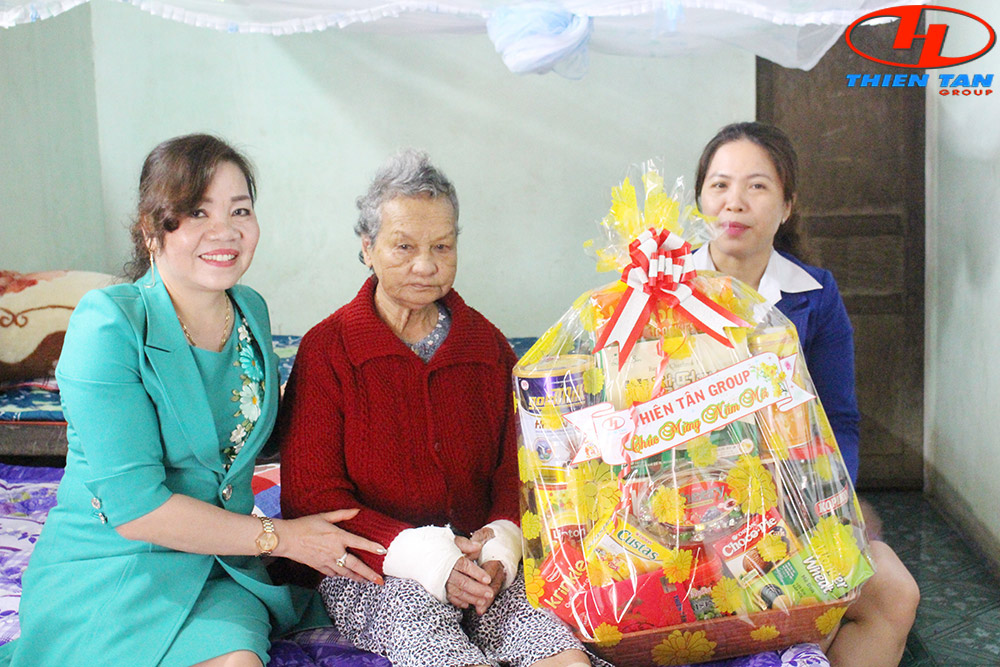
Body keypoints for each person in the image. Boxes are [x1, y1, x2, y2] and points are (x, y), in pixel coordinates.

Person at [0, 134, 386, 667]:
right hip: (117, 567)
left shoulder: (249, 309)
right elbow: (136, 510)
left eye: (240, 210)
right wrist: (281, 538)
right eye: (198, 212)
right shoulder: (108, 324)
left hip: (219, 565)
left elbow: (254, 432)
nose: (224, 231)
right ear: (151, 228)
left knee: (238, 660)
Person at [275, 149, 603, 667]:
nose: (426, 265)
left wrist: (500, 545)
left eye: (442, 246)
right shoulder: (329, 350)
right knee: (427, 635)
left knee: (551, 639)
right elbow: (312, 497)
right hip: (374, 565)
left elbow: (517, 468)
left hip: (480, 558)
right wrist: (425, 557)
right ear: (367, 247)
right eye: (404, 246)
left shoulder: (487, 346)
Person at [691, 121, 920, 667]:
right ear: (700, 199)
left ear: (787, 205)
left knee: (895, 592)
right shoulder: (657, 290)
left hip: (793, 509)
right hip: (686, 515)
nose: (735, 202)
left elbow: (838, 420)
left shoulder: (814, 296)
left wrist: (825, 506)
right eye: (720, 185)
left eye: (757, 186)